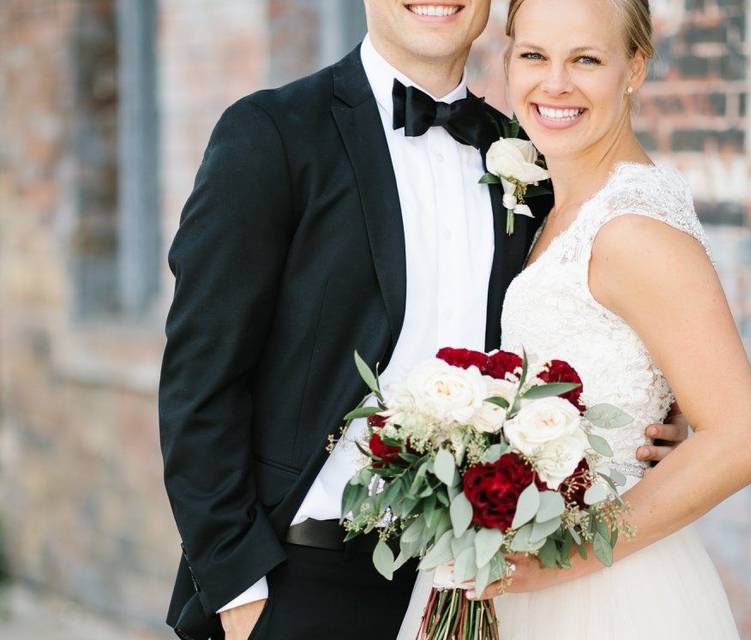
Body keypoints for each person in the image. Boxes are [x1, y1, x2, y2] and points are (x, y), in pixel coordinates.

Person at [158, 2, 688, 639]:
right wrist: (239, 587)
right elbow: (200, 378)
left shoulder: (529, 154)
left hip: (478, 583)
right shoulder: (273, 133)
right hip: (302, 577)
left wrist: (658, 413)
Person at [398, 0, 751, 637]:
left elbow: (742, 442)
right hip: (515, 565)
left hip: (603, 592)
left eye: (587, 60)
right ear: (509, 56)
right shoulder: (554, 197)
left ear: (635, 68)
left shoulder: (631, 229)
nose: (555, 84)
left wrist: (554, 563)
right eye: (535, 56)